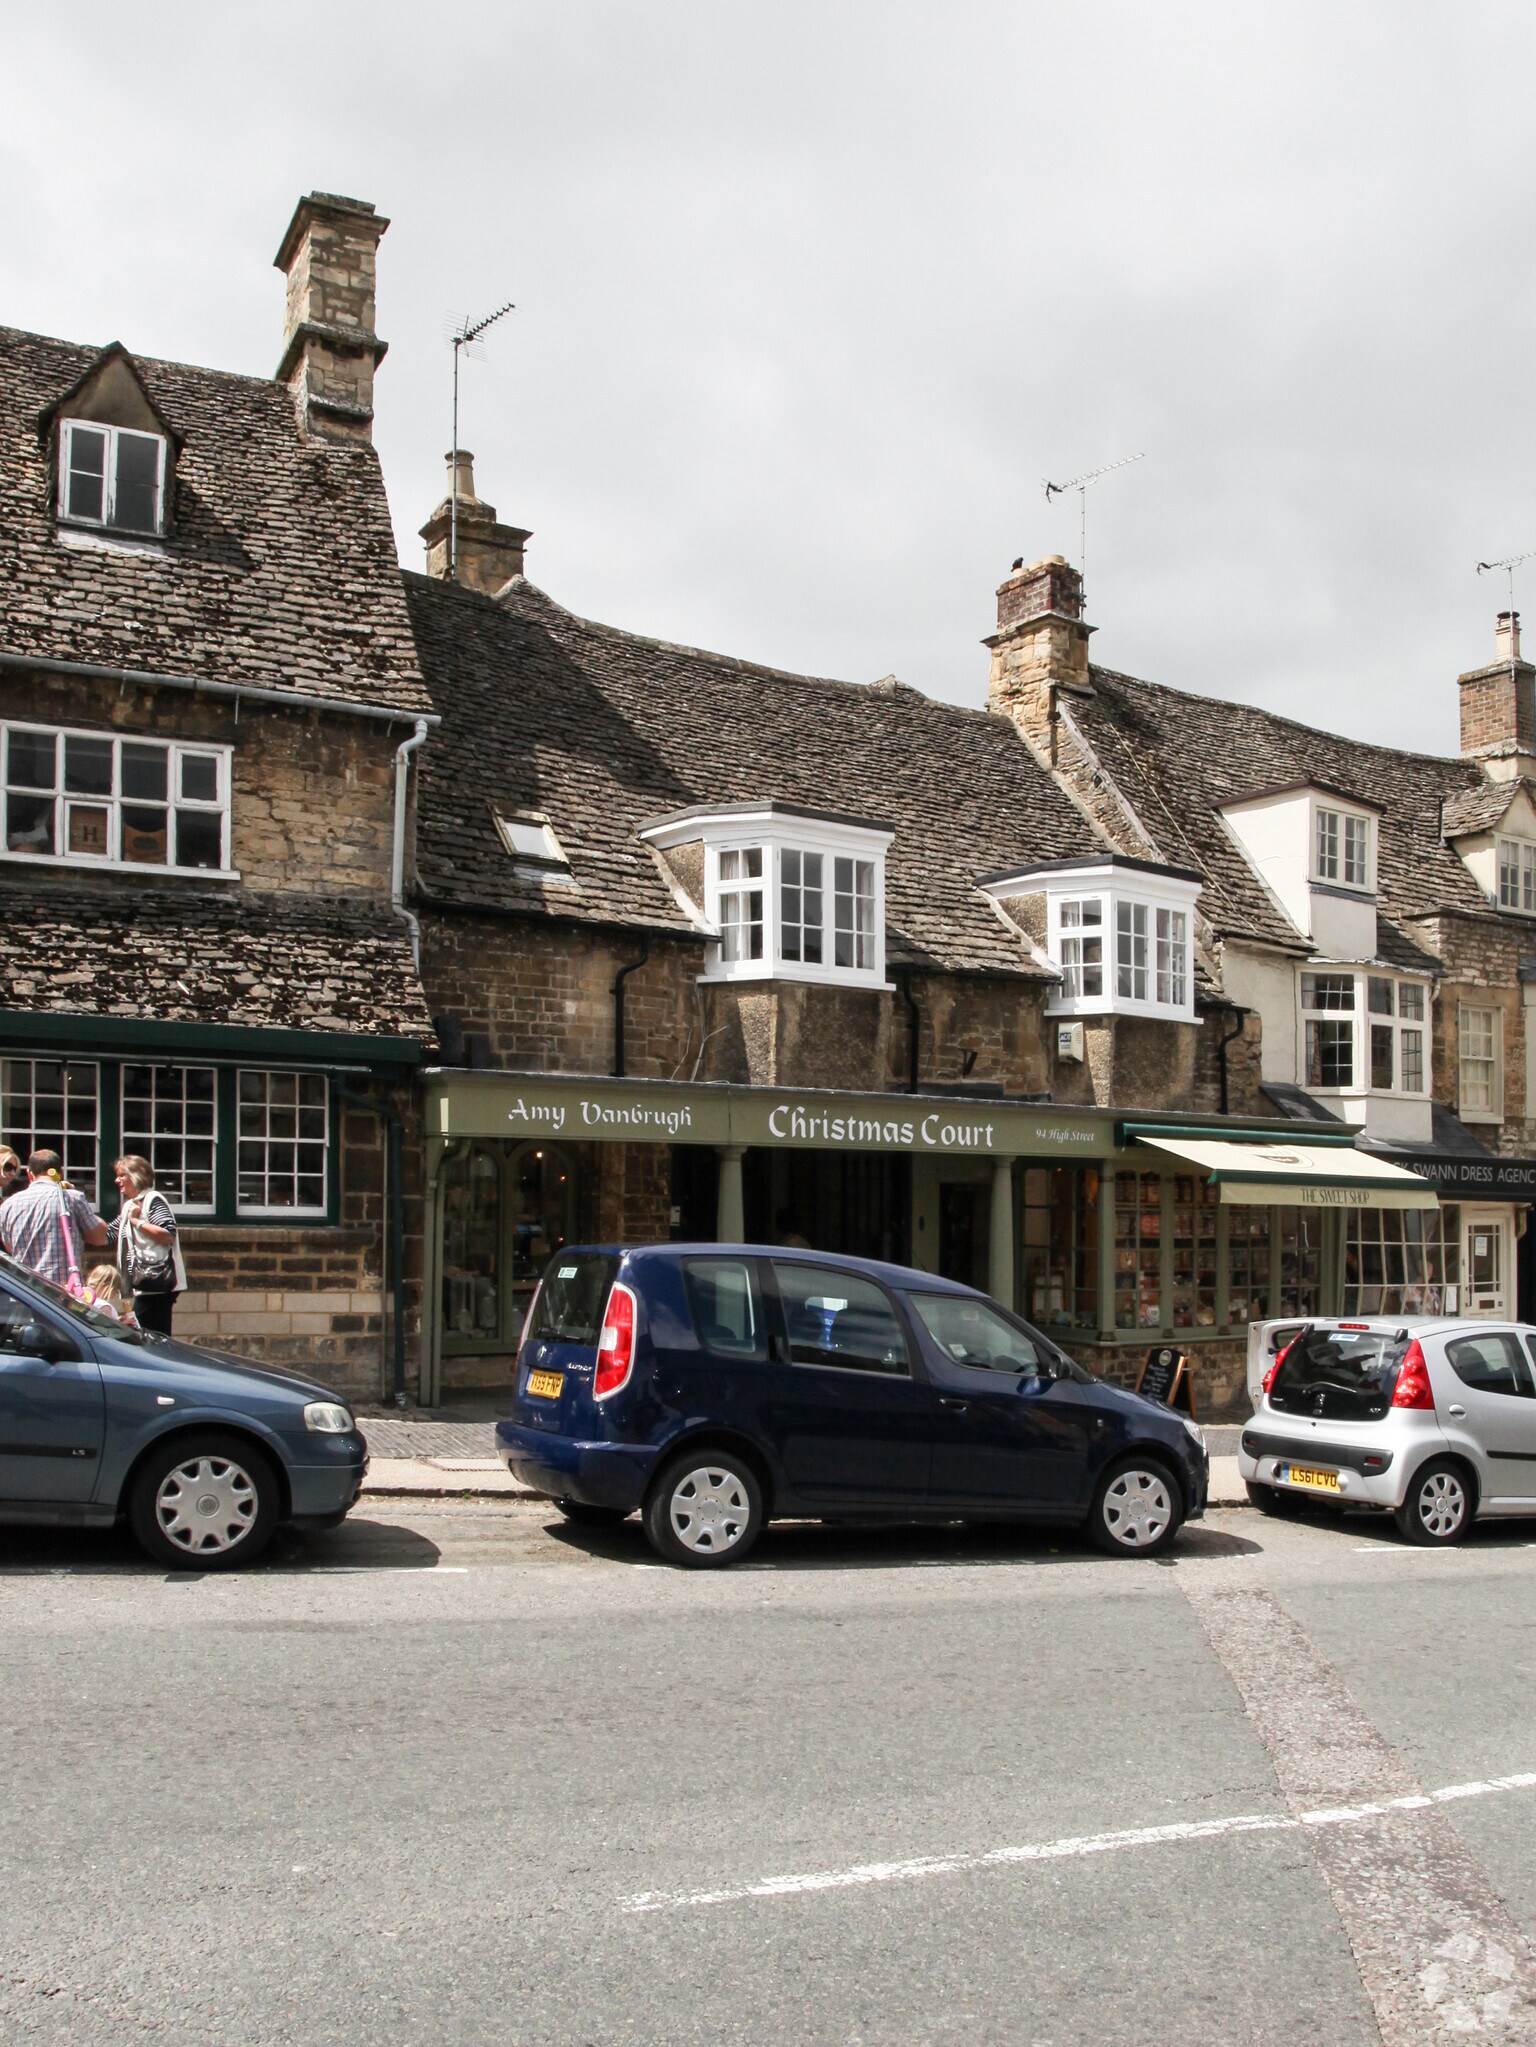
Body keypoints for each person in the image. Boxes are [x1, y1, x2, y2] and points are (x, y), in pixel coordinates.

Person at [0, 1148, 108, 1290]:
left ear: (29, 1174)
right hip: (64, 1292)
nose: (12, 1173)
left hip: (27, 1291)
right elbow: (99, 1237)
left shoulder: (8, 1205)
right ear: (60, 1173)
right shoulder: (72, 1198)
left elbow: (9, 1246)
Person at [108, 1155, 184, 1336]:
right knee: (148, 1337)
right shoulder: (130, 1205)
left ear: (136, 1176)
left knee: (149, 1338)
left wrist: (136, 1222)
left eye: (122, 1175)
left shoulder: (152, 1200)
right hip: (145, 1286)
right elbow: (107, 1234)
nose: (117, 1180)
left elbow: (168, 1235)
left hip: (156, 1284)